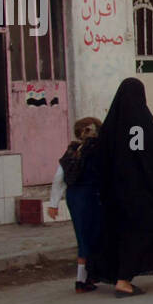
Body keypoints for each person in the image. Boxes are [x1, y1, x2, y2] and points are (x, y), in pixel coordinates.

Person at [86, 78, 153, 298]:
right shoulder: (143, 120)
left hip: (115, 192)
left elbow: (101, 158)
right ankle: (126, 281)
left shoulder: (112, 124)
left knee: (118, 231)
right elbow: (149, 157)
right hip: (141, 190)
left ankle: (100, 273)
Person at [47, 117, 103, 292]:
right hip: (92, 197)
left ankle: (84, 278)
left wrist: (54, 203)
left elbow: (59, 178)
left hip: (74, 197)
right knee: (93, 235)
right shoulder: (97, 151)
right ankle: (83, 279)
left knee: (82, 236)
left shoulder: (71, 152)